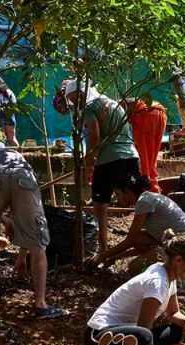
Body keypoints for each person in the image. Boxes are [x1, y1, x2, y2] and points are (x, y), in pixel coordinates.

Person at [0, 148, 66, 318]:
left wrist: (2, 220)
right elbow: (27, 227)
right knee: (37, 237)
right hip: (24, 175)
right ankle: (41, 304)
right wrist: (20, 254)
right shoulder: (16, 156)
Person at [65, 79, 140, 257]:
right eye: (73, 100)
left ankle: (103, 249)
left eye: (76, 98)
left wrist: (88, 162)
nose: (75, 103)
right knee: (140, 201)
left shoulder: (90, 108)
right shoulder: (114, 104)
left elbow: (94, 135)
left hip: (108, 160)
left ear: (83, 93)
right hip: (131, 156)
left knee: (100, 205)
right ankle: (144, 242)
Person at [86, 173, 185, 272]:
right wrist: (114, 257)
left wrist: (101, 256)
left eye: (118, 194)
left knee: (136, 268)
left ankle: (180, 272)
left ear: (127, 191)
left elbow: (129, 241)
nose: (116, 198)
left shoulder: (144, 201)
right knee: (140, 238)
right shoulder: (148, 198)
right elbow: (134, 240)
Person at [122, 98, 167, 194]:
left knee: (143, 154)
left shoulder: (115, 108)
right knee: (152, 154)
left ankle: (147, 186)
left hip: (144, 114)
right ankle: (153, 185)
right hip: (160, 112)